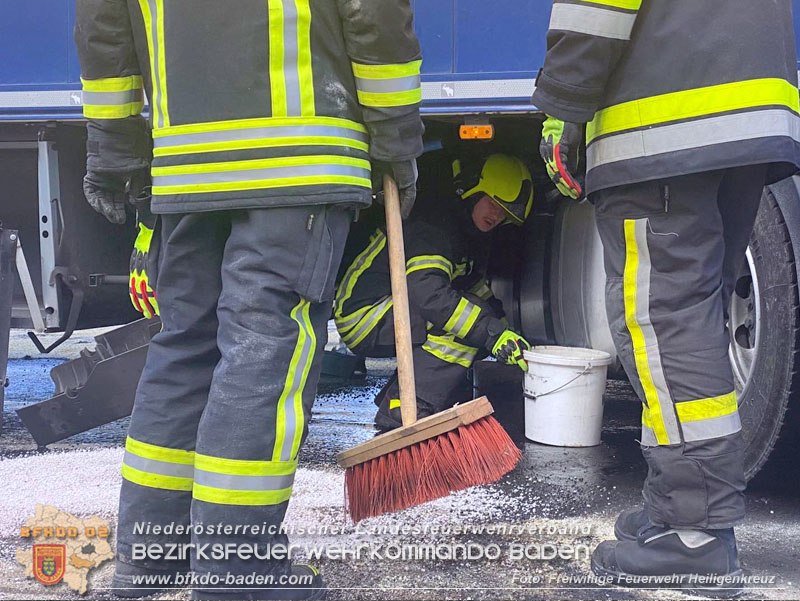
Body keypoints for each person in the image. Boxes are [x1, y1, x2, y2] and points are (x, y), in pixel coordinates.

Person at [74, 0, 423, 598]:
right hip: (296, 160)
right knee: (264, 346)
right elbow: (374, 14)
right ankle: (238, 570)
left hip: (185, 167)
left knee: (185, 344)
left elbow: (103, 24)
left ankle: (151, 558)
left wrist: (114, 145)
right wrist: (395, 136)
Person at [534, 0, 800, 587]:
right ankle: (676, 507)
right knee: (695, 320)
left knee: (665, 321)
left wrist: (561, 106)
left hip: (661, 124)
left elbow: (594, 11)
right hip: (750, 112)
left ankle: (696, 533)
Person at [334, 153, 533, 430]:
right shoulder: (436, 229)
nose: (496, 215)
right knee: (462, 327)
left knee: (477, 320)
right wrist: (491, 332)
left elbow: (469, 286)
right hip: (365, 316)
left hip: (388, 310)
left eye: (504, 213)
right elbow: (428, 295)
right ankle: (404, 411)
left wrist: (503, 330)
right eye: (492, 203)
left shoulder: (462, 234)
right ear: (473, 193)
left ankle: (404, 399)